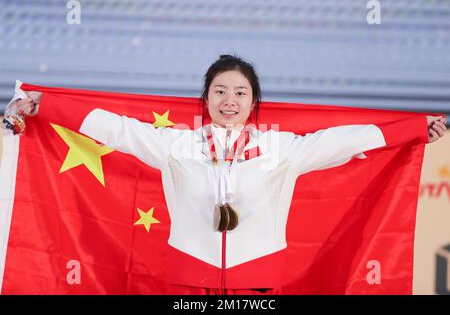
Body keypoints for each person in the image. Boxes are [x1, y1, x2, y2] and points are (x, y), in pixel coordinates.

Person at [11, 55, 447, 295]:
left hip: (258, 284)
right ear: (206, 98)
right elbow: (116, 130)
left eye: (240, 92)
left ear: (253, 101)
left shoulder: (282, 149)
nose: (229, 99)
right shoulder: (177, 145)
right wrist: (45, 105)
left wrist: (412, 129)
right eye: (220, 90)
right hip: (187, 280)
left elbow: (346, 140)